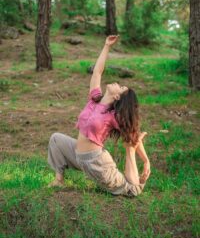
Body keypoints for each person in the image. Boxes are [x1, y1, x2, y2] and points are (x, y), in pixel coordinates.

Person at [47, 35, 151, 197]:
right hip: (78, 155)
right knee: (56, 139)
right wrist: (106, 46)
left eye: (121, 87)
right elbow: (97, 72)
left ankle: (131, 161)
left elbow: (134, 135)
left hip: (97, 162)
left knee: (131, 191)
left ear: (117, 97)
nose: (117, 83)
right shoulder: (94, 99)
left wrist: (145, 160)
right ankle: (59, 180)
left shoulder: (113, 116)